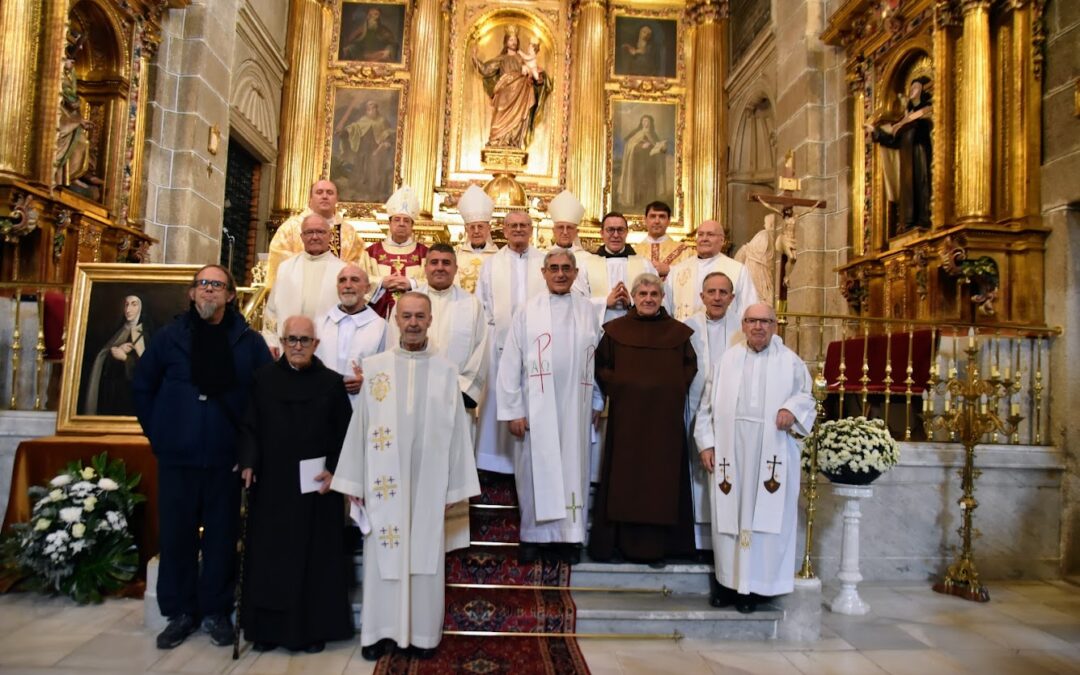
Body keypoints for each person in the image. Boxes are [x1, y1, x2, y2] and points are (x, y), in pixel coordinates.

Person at [332, 292, 481, 661]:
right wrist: (354, 482)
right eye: (406, 316)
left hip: (429, 483)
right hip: (385, 483)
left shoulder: (447, 371)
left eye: (420, 316)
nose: (413, 323)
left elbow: (459, 434)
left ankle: (422, 634)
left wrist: (457, 485)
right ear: (396, 320)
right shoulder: (377, 366)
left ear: (430, 320)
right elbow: (361, 425)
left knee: (425, 557)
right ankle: (379, 632)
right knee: (384, 554)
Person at [132, 265, 273, 650]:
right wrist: (159, 433)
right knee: (176, 537)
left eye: (218, 286)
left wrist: (249, 452)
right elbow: (143, 388)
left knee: (221, 539)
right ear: (192, 294)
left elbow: (264, 401)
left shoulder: (248, 342)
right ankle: (179, 613)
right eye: (203, 285)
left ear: (230, 295)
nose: (209, 292)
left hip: (225, 459)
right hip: (177, 457)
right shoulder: (169, 338)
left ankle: (214, 611)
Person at [238, 315, 354, 654]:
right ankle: (266, 629)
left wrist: (335, 471)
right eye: (292, 340)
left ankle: (312, 629)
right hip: (272, 486)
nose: (298, 346)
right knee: (269, 559)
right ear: (282, 342)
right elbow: (248, 427)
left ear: (316, 344)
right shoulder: (262, 380)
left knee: (314, 560)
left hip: (316, 489)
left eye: (305, 340)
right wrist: (247, 461)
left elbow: (345, 433)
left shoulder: (331, 384)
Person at [694, 303, 816, 613]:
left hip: (772, 453)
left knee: (765, 521)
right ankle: (727, 584)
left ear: (775, 326)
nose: (758, 327)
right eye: (752, 321)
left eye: (765, 321)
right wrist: (706, 444)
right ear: (744, 325)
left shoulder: (790, 363)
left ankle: (760, 588)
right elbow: (706, 405)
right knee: (728, 522)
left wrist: (791, 408)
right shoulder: (727, 361)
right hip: (730, 452)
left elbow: (806, 396)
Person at [496, 248, 603, 565]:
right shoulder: (527, 311)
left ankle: (570, 538)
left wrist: (596, 399)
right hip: (536, 407)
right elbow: (510, 362)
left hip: (576, 406)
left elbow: (595, 359)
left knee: (573, 468)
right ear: (543, 273)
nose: (559, 274)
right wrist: (514, 409)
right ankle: (533, 536)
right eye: (553, 268)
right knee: (534, 471)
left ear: (575, 273)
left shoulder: (587, 311)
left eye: (566, 269)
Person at [588, 273, 696, 566]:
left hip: (665, 420)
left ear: (662, 298)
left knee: (661, 481)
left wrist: (668, 387)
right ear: (634, 297)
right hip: (627, 418)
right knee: (626, 479)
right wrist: (624, 385)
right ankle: (621, 545)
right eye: (643, 294)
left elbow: (688, 368)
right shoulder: (615, 331)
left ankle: (660, 548)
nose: (648, 299)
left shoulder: (678, 333)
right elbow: (602, 367)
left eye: (654, 294)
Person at [388, 244, 489, 552]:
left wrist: (459, 393)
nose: (440, 267)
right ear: (425, 267)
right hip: (411, 404)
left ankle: (451, 539)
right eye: (434, 262)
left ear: (456, 268)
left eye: (446, 262)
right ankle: (407, 532)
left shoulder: (472, 305)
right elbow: (392, 349)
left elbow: (481, 353)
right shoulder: (407, 304)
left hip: (454, 406)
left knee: (450, 471)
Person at [474, 210, 547, 474]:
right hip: (499, 343)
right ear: (503, 231)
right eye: (513, 225)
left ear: (531, 230)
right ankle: (497, 462)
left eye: (523, 225)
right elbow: (481, 306)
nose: (518, 229)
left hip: (538, 344)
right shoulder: (491, 264)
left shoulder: (545, 261)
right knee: (497, 396)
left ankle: (530, 458)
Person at [683, 272, 740, 553]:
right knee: (696, 469)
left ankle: (724, 537)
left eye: (723, 292)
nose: (717, 297)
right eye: (711, 292)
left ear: (732, 297)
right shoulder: (687, 326)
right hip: (694, 405)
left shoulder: (744, 326)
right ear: (702, 296)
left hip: (731, 410)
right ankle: (696, 537)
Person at [266, 179, 376, 287]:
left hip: (338, 296)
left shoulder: (348, 232)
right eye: (319, 192)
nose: (324, 196)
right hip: (299, 293)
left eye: (330, 193)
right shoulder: (291, 227)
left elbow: (358, 265)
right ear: (310, 198)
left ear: (337, 199)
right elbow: (279, 260)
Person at [262, 214, 345, 356]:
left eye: (320, 232)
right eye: (309, 232)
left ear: (330, 236)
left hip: (326, 349)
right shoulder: (286, 268)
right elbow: (271, 310)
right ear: (302, 237)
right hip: (289, 346)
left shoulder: (342, 271)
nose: (314, 237)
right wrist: (271, 340)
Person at [865, 76, 932, 234]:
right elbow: (893, 141)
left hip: (920, 153)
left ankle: (924, 220)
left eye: (915, 88)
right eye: (911, 88)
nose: (911, 91)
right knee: (907, 191)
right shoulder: (904, 120)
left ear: (923, 90)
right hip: (906, 160)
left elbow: (923, 119)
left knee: (921, 186)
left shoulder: (927, 109)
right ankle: (909, 224)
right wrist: (875, 131)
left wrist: (903, 123)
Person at [314, 263, 387, 399]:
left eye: (354, 280)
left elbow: (387, 367)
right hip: (322, 402)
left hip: (361, 403)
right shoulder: (319, 324)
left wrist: (366, 380)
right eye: (342, 280)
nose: (347, 285)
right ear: (337, 288)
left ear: (367, 289)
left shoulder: (380, 327)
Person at [472, 25, 552, 149]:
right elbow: (486, 69)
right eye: (511, 40)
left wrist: (538, 77)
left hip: (521, 93)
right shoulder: (502, 59)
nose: (513, 42)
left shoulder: (522, 58)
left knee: (518, 119)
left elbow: (534, 70)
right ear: (506, 42)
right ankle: (496, 140)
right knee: (499, 117)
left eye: (515, 40)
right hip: (504, 93)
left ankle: (512, 142)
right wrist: (475, 59)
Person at [666, 220, 758, 321]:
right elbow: (666, 306)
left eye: (710, 234)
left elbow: (748, 308)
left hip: (725, 334)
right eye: (700, 235)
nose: (704, 238)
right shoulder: (678, 270)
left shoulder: (738, 270)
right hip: (684, 333)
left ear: (722, 240)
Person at [84, 294, 154, 415]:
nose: (128, 309)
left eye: (133, 304)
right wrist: (113, 353)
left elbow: (151, 368)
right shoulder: (119, 331)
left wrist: (126, 359)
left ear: (141, 308)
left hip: (133, 395)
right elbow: (102, 360)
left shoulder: (147, 335)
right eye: (126, 304)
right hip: (114, 393)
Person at [582, 212, 656, 325]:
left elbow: (658, 297)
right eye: (610, 230)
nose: (616, 235)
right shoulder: (586, 265)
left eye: (620, 230)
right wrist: (605, 302)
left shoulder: (644, 265)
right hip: (599, 331)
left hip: (635, 329)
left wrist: (632, 302)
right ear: (601, 233)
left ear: (626, 232)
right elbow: (578, 301)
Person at [367, 185, 429, 317]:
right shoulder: (371, 253)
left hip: (413, 318)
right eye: (397, 219)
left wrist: (412, 283)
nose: (401, 224)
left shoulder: (425, 254)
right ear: (389, 223)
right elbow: (359, 281)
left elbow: (436, 284)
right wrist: (381, 282)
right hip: (377, 317)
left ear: (412, 225)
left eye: (406, 220)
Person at [333, 99, 394, 203]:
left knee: (375, 170)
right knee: (361, 167)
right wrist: (344, 131)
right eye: (369, 109)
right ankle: (360, 190)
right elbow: (354, 128)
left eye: (373, 109)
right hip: (363, 149)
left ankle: (374, 193)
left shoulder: (382, 121)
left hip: (377, 151)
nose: (371, 111)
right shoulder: (363, 120)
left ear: (376, 109)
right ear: (366, 111)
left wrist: (384, 143)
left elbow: (388, 134)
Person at [617, 114, 669, 213]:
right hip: (639, 166)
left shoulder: (654, 135)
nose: (646, 123)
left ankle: (650, 206)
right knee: (640, 184)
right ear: (641, 123)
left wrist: (662, 148)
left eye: (648, 121)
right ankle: (639, 204)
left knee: (651, 185)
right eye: (644, 121)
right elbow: (630, 146)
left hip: (651, 166)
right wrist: (641, 146)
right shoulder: (638, 134)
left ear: (651, 123)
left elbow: (658, 147)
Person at [454, 185, 499, 293]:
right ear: (466, 229)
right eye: (472, 227)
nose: (476, 231)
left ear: (489, 228)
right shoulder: (455, 257)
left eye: (480, 226)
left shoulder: (499, 258)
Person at [640, 201, 693, 280]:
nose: (657, 221)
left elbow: (693, 275)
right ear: (645, 220)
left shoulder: (685, 251)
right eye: (652, 216)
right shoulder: (634, 253)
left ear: (669, 221)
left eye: (662, 217)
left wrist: (670, 270)